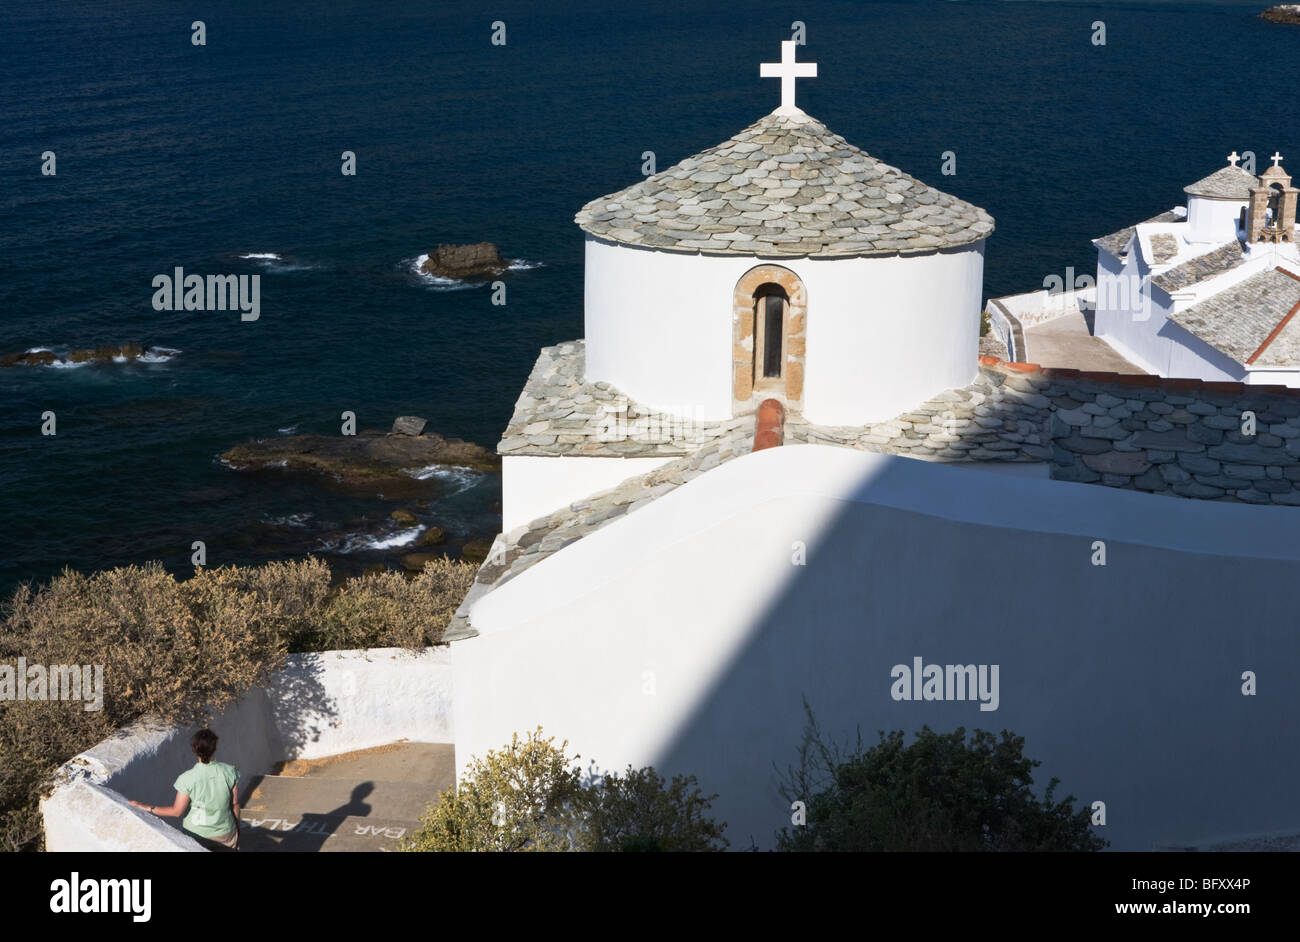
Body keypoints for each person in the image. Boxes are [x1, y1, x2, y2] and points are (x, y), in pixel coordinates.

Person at [130, 728, 241, 851]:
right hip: (225, 833)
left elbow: (176, 811)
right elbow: (234, 804)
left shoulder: (186, 779)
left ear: (194, 750)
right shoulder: (230, 771)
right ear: (215, 747)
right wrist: (237, 828)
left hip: (196, 835)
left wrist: (145, 807)